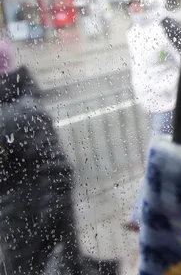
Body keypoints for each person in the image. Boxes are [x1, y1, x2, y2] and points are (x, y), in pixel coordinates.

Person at [0, 40, 120, 274]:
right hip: (19, 225)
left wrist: (50, 224)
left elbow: (57, 170)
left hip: (30, 225)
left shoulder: (20, 112)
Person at [123, 0, 181, 231]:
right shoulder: (133, 33)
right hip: (152, 105)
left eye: (138, 3)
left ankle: (140, 214)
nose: (134, 8)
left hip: (170, 104)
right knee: (171, 156)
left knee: (156, 158)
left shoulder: (168, 26)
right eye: (130, 4)